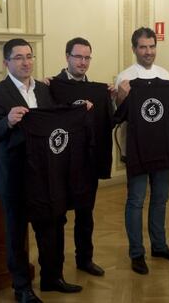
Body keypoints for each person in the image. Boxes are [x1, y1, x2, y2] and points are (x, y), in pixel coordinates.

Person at [0, 38, 82, 303]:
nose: (26, 62)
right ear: (6, 62)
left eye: (29, 56)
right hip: (14, 179)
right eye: (19, 58)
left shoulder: (44, 90)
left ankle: (52, 277)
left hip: (45, 176)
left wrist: (79, 109)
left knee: (52, 227)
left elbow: (54, 122)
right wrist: (7, 121)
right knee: (16, 235)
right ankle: (22, 288)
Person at [115, 27, 169, 275]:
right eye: (143, 47)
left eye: (152, 46)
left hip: (163, 148)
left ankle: (159, 245)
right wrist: (121, 97)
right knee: (135, 201)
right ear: (134, 49)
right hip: (137, 149)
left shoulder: (165, 75)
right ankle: (136, 253)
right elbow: (119, 115)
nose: (148, 52)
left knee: (160, 200)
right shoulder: (124, 78)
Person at [48, 37, 110, 277]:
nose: (83, 62)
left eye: (87, 57)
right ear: (67, 57)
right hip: (61, 163)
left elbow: (111, 120)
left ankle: (85, 259)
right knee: (58, 217)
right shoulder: (51, 87)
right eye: (78, 57)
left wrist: (113, 98)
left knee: (86, 215)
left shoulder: (98, 90)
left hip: (88, 162)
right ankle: (56, 267)